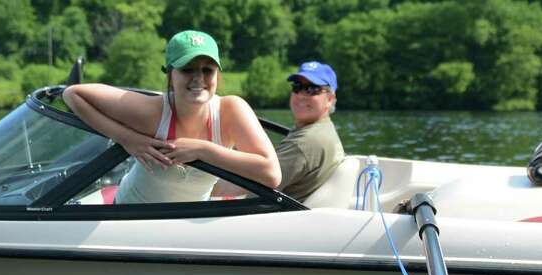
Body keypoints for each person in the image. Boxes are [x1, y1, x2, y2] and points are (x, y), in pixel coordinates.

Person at [61, 31, 280, 203]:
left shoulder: (231, 111)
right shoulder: (152, 111)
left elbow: (272, 174)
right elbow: (72, 94)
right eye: (188, 69)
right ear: (170, 74)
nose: (198, 79)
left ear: (217, 74)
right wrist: (128, 139)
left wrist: (202, 150)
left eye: (208, 70)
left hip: (184, 228)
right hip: (127, 220)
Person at [276, 61, 345, 202]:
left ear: (330, 99)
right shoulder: (325, 130)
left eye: (311, 89)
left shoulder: (304, 143)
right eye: (297, 87)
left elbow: (251, 189)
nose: (301, 96)